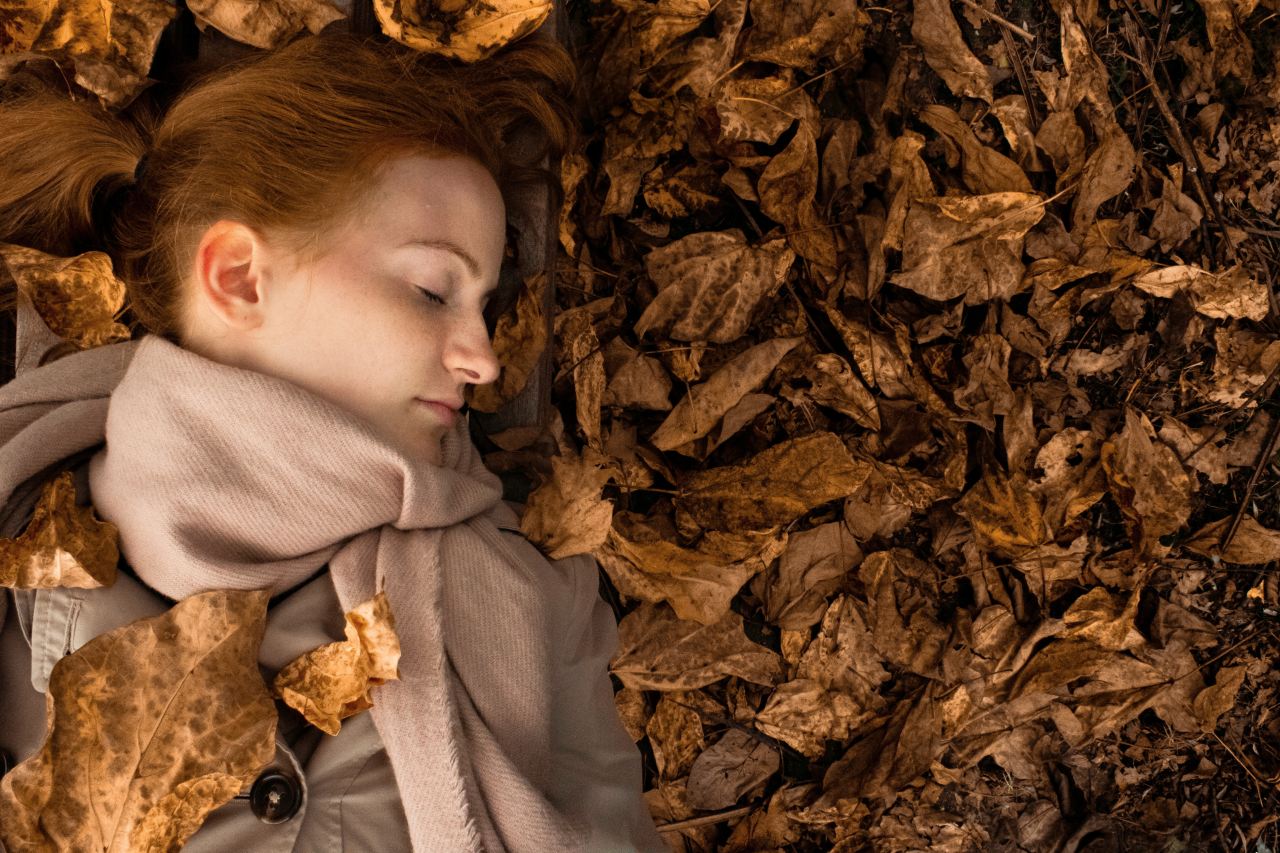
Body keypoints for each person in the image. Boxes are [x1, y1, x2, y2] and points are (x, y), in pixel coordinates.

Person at [0, 26, 667, 853]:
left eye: (483, 307)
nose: (484, 359)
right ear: (240, 279)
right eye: (433, 289)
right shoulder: (15, 567)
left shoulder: (537, 611)